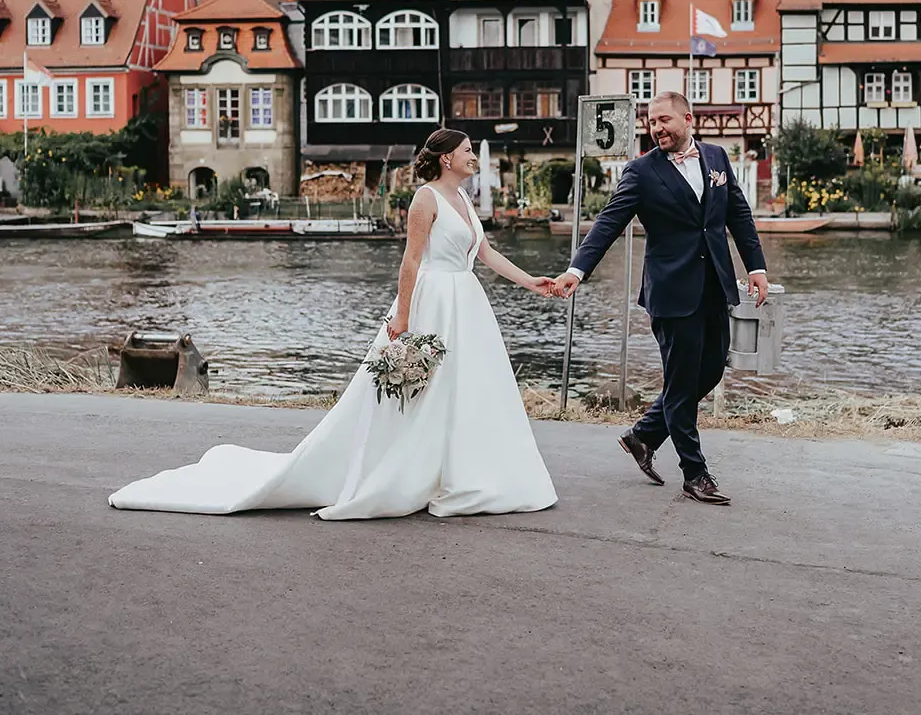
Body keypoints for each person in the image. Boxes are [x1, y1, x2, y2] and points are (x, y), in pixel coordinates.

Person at [109, 129, 560, 520]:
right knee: (424, 389)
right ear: (447, 158)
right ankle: (406, 470)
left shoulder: (462, 197)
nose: (473, 159)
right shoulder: (426, 199)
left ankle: (464, 469)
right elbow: (410, 261)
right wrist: (402, 315)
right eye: (467, 152)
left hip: (467, 301)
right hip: (433, 300)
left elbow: (483, 253)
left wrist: (530, 282)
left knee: (470, 389)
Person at [554, 91, 767, 506]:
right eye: (652, 123)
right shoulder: (640, 172)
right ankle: (695, 473)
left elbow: (738, 214)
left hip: (714, 286)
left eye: (665, 120)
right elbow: (608, 224)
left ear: (688, 119)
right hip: (670, 292)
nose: (657, 129)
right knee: (683, 381)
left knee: (710, 372)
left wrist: (755, 267)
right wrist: (576, 270)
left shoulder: (718, 158)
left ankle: (644, 435)